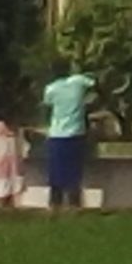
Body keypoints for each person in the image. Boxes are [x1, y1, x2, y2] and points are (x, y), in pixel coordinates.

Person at [42, 59, 97, 208]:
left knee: (55, 172)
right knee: (74, 172)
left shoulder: (51, 89)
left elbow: (47, 107)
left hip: (57, 134)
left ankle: (55, 203)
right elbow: (95, 84)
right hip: (76, 133)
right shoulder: (78, 82)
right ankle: (74, 204)